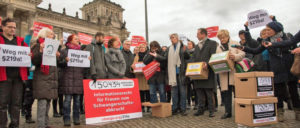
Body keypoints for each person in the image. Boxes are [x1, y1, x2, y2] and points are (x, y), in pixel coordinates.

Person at [241, 21, 300, 121]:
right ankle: (280, 112)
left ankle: (297, 111)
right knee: (278, 93)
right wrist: (243, 48)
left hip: (289, 67)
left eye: (269, 30)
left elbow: (289, 43)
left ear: (276, 30)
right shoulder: (266, 41)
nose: (267, 32)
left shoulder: (286, 37)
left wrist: (273, 44)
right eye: (266, 30)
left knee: (293, 91)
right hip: (276, 69)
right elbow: (256, 50)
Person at [0, 18, 30, 128]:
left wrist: (28, 55)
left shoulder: (20, 41)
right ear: (3, 27)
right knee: (2, 104)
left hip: (18, 77)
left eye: (14, 27)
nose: (12, 29)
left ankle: (14, 125)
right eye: (10, 27)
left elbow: (27, 55)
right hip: (3, 77)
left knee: (16, 104)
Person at [31, 27, 60, 128]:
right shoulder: (37, 45)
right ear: (45, 35)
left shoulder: (53, 47)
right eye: (51, 34)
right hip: (42, 78)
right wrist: (40, 51)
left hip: (50, 78)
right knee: (42, 104)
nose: (54, 35)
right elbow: (35, 61)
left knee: (48, 104)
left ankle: (46, 124)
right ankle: (41, 125)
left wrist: (57, 56)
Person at [58, 34, 89, 126]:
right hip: (68, 78)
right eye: (75, 39)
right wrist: (65, 61)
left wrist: (88, 61)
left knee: (77, 101)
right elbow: (59, 64)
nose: (77, 40)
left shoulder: (82, 53)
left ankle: (76, 119)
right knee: (67, 101)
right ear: (70, 40)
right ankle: (66, 119)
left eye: (78, 39)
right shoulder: (64, 51)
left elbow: (85, 68)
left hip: (78, 79)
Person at [216, 29, 245, 119]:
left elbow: (243, 53)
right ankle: (228, 112)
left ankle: (241, 111)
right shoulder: (218, 48)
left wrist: (235, 56)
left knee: (238, 93)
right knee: (226, 94)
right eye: (220, 38)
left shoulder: (235, 43)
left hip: (235, 72)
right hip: (224, 74)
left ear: (228, 36)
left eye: (223, 37)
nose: (222, 39)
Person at [192, 28, 217, 117]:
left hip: (208, 71)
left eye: (198, 34)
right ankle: (200, 109)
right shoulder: (196, 45)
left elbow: (213, 56)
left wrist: (207, 63)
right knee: (199, 92)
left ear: (203, 34)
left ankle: (211, 111)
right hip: (198, 72)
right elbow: (194, 58)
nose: (196, 36)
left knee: (209, 92)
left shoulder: (212, 43)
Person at [166, 33, 190, 116]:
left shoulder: (183, 47)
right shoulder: (169, 48)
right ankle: (175, 108)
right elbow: (165, 58)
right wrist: (157, 56)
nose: (171, 39)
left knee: (183, 92)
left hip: (181, 73)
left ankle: (183, 109)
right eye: (170, 38)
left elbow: (187, 56)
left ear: (177, 38)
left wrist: (184, 48)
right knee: (174, 92)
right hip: (173, 74)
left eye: (173, 38)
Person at [22, 28, 36, 124]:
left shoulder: (38, 51)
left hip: (36, 77)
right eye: (33, 43)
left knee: (32, 98)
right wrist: (30, 33)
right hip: (29, 77)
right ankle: (28, 115)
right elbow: (26, 42)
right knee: (29, 97)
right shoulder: (27, 49)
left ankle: (25, 109)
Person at [132, 43, 150, 112]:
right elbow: (133, 65)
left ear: (145, 48)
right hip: (139, 76)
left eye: (143, 47)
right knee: (141, 92)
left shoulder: (148, 56)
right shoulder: (136, 56)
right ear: (139, 49)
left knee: (147, 91)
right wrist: (132, 67)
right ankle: (142, 107)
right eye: (141, 47)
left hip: (146, 76)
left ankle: (148, 107)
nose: (142, 48)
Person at [185, 40, 197, 110]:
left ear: (193, 45)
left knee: (195, 89)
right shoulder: (185, 53)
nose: (188, 45)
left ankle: (196, 103)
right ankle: (188, 103)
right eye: (188, 44)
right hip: (187, 73)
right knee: (188, 90)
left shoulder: (195, 52)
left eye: (190, 44)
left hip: (194, 72)